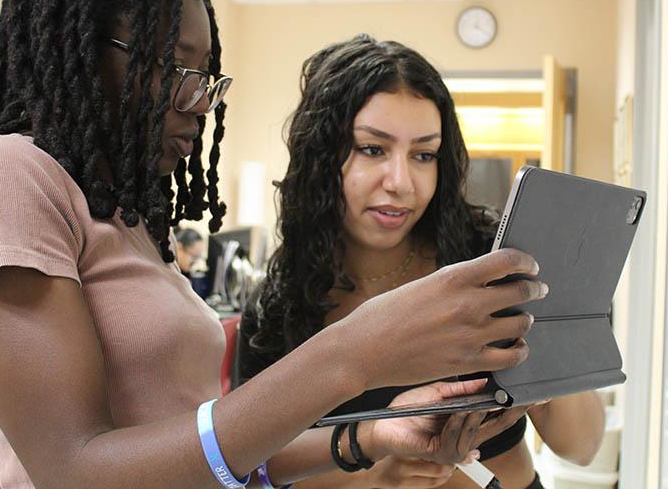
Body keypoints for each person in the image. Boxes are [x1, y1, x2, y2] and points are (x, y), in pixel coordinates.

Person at [0, 0, 547, 489]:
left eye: (207, 78)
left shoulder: (123, 216)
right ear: (83, 49)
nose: (198, 102)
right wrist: (353, 354)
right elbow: (74, 471)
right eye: (175, 69)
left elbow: (209, 452)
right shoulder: (3, 176)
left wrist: (367, 437)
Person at [238, 35, 605, 489]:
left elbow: (584, 447)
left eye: (423, 155)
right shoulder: (281, 303)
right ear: (321, 156)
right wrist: (375, 474)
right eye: (373, 149)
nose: (401, 182)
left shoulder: (494, 264)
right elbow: (252, 469)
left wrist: (546, 365)